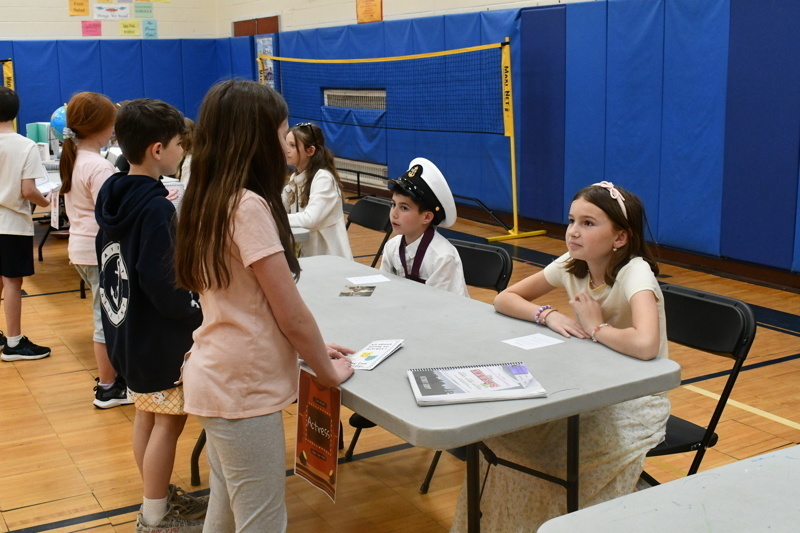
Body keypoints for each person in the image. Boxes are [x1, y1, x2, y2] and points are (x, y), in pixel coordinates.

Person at [175, 79, 354, 532]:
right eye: (281, 136)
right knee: (262, 520)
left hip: (219, 375)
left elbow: (248, 303)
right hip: (240, 387)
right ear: (255, 142)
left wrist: (309, 352)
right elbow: (290, 311)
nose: (286, 147)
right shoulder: (247, 205)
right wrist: (326, 373)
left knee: (226, 506)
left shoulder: (208, 196)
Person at [450, 181, 670, 532]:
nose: (573, 232)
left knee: (560, 462)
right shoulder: (573, 263)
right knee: (503, 441)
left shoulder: (635, 271)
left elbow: (645, 345)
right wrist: (548, 315)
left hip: (633, 397)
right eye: (571, 221)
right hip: (582, 384)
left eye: (588, 223)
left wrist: (596, 328)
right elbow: (505, 298)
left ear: (620, 238)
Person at [95, 99, 206, 532]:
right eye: (180, 143)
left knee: (147, 414)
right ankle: (155, 516)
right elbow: (163, 284)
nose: (184, 150)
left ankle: (154, 495)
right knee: (169, 424)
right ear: (158, 149)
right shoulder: (156, 208)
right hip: (157, 337)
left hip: (125, 329)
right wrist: (197, 312)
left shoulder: (115, 194)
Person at [59, 91, 132, 408]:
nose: (114, 131)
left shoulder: (76, 159)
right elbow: (113, 213)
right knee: (107, 319)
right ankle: (107, 387)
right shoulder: (97, 166)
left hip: (83, 248)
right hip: (98, 251)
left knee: (106, 315)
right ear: (99, 126)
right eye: (111, 125)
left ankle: (111, 378)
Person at [0, 86, 52, 362]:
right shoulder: (24, 145)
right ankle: (14, 343)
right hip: (11, 224)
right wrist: (47, 203)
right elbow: (29, 190)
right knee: (12, 282)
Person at [379, 157, 468, 297]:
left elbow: (443, 305)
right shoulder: (392, 246)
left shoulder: (442, 257)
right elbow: (383, 287)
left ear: (426, 217)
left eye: (404, 208)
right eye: (393, 204)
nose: (394, 214)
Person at [281, 121, 353, 259]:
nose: (286, 150)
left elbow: (310, 219)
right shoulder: (296, 177)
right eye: (286, 144)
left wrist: (274, 218)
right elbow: (279, 205)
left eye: (293, 146)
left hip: (329, 260)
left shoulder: (323, 178)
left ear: (310, 150)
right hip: (307, 256)